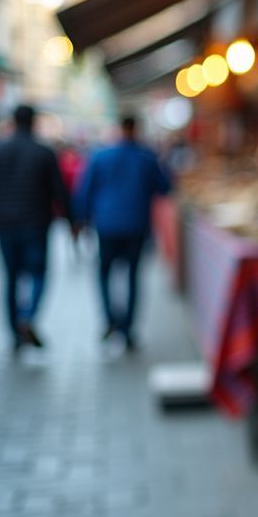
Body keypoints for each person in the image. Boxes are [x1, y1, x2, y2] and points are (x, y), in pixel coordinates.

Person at [75, 116, 172, 351]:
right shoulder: (146, 157)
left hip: (106, 225)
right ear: (135, 129)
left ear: (119, 128)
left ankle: (110, 319)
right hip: (136, 224)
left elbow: (84, 190)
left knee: (104, 274)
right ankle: (127, 329)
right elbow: (165, 188)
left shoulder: (100, 156)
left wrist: (81, 220)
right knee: (132, 277)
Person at [0, 105, 74, 352]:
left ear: (13, 122)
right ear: (33, 122)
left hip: (6, 224)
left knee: (10, 278)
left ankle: (15, 332)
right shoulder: (43, 152)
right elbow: (59, 190)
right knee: (38, 273)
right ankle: (28, 317)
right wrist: (72, 221)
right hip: (36, 224)